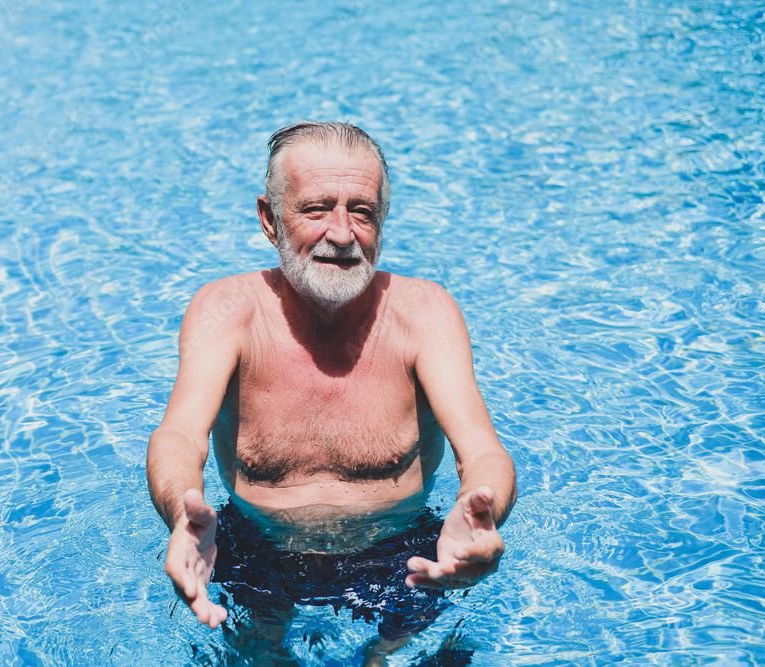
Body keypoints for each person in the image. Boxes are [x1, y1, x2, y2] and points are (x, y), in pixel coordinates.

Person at [146, 121, 516, 662]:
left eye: (361, 211)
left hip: (404, 553)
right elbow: (178, 434)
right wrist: (183, 515)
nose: (342, 234)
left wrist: (479, 518)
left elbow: (483, 451)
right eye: (316, 208)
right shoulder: (227, 312)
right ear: (270, 221)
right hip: (256, 550)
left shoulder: (423, 315)